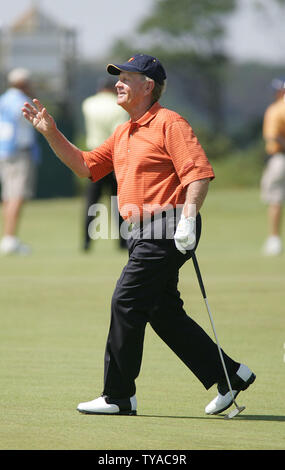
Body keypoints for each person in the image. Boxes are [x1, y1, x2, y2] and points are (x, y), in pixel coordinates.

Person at [22, 53, 256, 416]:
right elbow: (85, 167)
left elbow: (197, 173)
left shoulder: (170, 123)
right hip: (140, 231)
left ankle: (118, 395)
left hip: (168, 227)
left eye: (126, 78)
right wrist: (52, 133)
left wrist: (189, 218)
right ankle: (229, 374)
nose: (118, 82)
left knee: (125, 302)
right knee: (161, 310)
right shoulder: (123, 132)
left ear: (148, 86)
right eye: (118, 77)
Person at [81, 78, 128, 250]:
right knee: (118, 202)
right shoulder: (119, 105)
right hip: (113, 157)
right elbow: (119, 133)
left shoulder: (88, 104)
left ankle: (86, 242)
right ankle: (123, 242)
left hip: (93, 156)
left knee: (92, 202)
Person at [0, 68, 40, 255]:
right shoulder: (21, 102)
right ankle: (9, 239)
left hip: (4, 152)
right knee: (16, 195)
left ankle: (8, 236)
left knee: (8, 196)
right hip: (18, 152)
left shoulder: (4, 99)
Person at [261, 77, 285, 256]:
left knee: (276, 198)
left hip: (280, 158)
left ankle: (274, 239)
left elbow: (273, 137)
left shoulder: (276, 109)